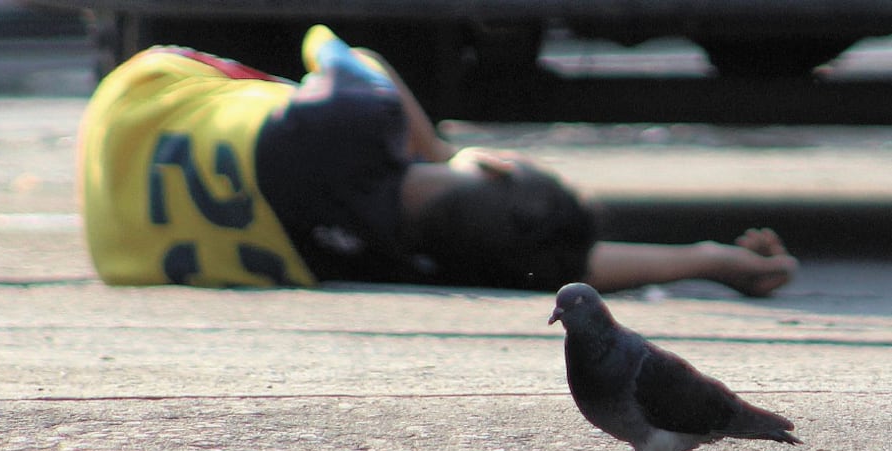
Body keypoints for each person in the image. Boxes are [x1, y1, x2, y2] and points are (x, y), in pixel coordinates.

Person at [78, 25, 798, 296]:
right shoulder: (404, 261)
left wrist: (437, 148)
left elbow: (341, 48)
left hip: (134, 101)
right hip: (122, 241)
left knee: (285, 86)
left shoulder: (359, 118)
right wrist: (707, 259)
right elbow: (561, 267)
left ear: (493, 169)